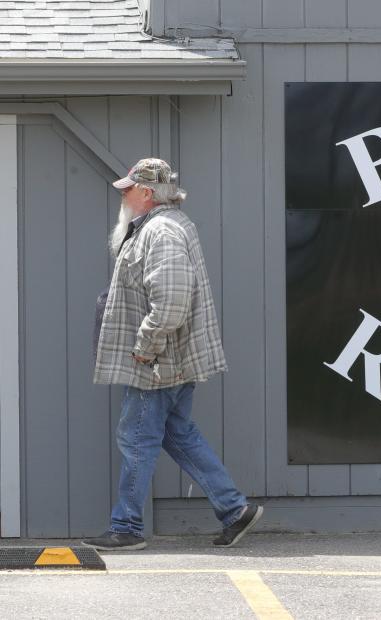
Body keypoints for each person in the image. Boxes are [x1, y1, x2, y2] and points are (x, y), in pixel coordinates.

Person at [82, 158, 263, 551]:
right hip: (172, 358)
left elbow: (172, 303)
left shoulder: (160, 231)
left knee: (135, 439)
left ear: (146, 193)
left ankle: (126, 527)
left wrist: (144, 348)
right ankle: (234, 509)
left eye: (128, 189)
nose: (123, 195)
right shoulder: (163, 226)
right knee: (177, 434)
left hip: (158, 362)